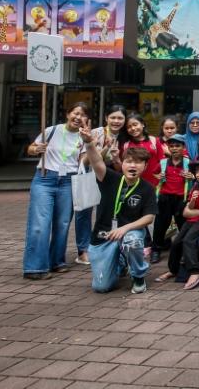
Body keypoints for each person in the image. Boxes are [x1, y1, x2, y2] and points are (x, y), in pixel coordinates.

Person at [79, 124, 157, 294]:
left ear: (145, 166)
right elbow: (96, 162)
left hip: (128, 234)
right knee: (101, 287)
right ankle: (120, 262)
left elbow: (149, 218)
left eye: (138, 163)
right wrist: (89, 143)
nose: (133, 166)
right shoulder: (110, 178)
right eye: (129, 161)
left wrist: (125, 228)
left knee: (133, 241)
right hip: (104, 235)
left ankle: (138, 276)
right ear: (122, 163)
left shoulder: (148, 188)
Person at [23, 101, 92, 280]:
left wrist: (87, 145)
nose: (78, 117)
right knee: (40, 224)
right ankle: (35, 268)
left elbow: (84, 161)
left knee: (62, 224)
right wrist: (36, 149)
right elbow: (30, 149)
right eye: (75, 113)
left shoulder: (84, 136)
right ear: (68, 113)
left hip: (69, 181)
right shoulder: (51, 130)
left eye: (83, 115)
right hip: (45, 178)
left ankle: (56, 262)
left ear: (87, 119)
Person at [157, 158, 199, 290]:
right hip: (192, 219)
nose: (197, 174)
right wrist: (193, 200)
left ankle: (195, 272)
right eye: (196, 171)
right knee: (176, 242)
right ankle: (173, 270)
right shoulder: (196, 185)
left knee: (188, 241)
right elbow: (190, 208)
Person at [78, 104, 130, 266]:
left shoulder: (126, 136)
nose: (116, 121)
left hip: (113, 177)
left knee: (107, 212)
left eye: (120, 118)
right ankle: (83, 250)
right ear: (106, 118)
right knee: (84, 213)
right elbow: (85, 161)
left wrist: (115, 159)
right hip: (90, 175)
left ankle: (104, 244)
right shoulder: (95, 133)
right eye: (113, 117)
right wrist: (106, 147)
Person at [150, 133, 191, 263]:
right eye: (171, 146)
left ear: (183, 147)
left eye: (177, 146)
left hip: (181, 198)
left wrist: (191, 176)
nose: (174, 148)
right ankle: (156, 250)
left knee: (183, 225)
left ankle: (185, 250)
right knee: (160, 225)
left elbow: (197, 177)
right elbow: (154, 173)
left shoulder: (188, 163)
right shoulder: (163, 162)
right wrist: (159, 177)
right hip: (164, 197)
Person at [121, 112, 163, 188]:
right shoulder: (126, 145)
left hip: (154, 183)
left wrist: (161, 174)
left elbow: (162, 161)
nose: (133, 128)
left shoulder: (154, 141)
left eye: (135, 124)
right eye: (129, 127)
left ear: (142, 124)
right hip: (133, 184)